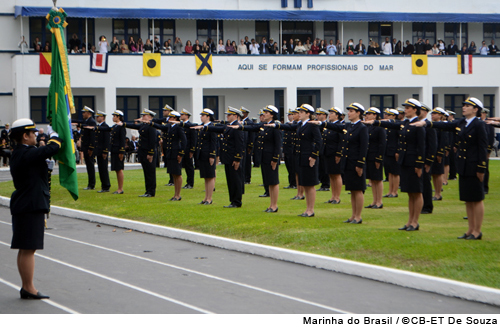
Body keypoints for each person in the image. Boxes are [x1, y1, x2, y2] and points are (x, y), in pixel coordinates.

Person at [414, 97, 487, 240]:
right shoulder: (462, 122)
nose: (464, 107)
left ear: (476, 109)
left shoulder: (479, 125)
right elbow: (444, 126)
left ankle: (477, 231)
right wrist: (426, 123)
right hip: (464, 165)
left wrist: (481, 168)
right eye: (464, 105)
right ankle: (470, 229)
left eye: (467, 106)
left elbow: (483, 147)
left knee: (476, 199)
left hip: (474, 165)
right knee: (468, 199)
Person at [9, 118, 62, 300]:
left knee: (25, 248)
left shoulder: (23, 152)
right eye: (33, 133)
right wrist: (55, 134)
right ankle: (29, 288)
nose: (36, 136)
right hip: (29, 205)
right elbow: (53, 148)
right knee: (28, 248)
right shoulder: (24, 153)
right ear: (25, 136)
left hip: (27, 204)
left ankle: (26, 286)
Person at [365, 99, 425, 231]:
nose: (405, 109)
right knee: (410, 193)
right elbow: (392, 124)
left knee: (416, 192)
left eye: (408, 107)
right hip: (405, 161)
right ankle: (410, 221)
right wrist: (374, 122)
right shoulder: (405, 123)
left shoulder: (418, 124)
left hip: (414, 162)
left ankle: (415, 221)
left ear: (415, 109)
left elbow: (421, 146)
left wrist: (419, 164)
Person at [310, 103, 368, 223]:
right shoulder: (349, 126)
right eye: (349, 111)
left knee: (358, 189)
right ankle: (353, 215)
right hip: (348, 161)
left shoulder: (362, 128)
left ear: (358, 113)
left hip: (356, 162)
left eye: (352, 111)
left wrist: (360, 164)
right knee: (352, 190)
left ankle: (358, 216)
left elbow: (363, 147)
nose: (349, 113)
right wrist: (321, 123)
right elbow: (336, 127)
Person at [270, 104, 322, 217]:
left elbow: (318, 142)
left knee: (310, 184)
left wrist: (313, 156)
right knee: (305, 184)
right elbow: (289, 127)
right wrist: (276, 125)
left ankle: (311, 210)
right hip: (301, 156)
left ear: (308, 114)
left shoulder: (312, 125)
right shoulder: (300, 124)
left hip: (309, 157)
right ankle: (307, 209)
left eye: (302, 112)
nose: (299, 114)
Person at [232, 105, 282, 212]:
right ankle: (271, 205)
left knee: (273, 181)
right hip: (264, 156)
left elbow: (278, 145)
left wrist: (275, 159)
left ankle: (274, 205)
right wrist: (240, 127)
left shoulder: (275, 126)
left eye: (267, 113)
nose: (264, 114)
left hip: (271, 157)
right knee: (268, 181)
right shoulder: (264, 124)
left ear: (272, 115)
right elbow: (252, 127)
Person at [192, 107, 245, 208]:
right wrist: (204, 127)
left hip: (234, 158)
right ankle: (233, 201)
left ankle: (237, 201)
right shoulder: (229, 126)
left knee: (235, 180)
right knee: (230, 180)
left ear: (236, 116)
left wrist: (237, 158)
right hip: (228, 158)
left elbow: (239, 145)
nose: (227, 116)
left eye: (229, 115)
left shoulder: (237, 127)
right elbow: (218, 128)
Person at [121, 109, 158, 197]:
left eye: (144, 115)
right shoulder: (144, 125)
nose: (142, 117)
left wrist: (151, 153)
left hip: (148, 152)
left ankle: (151, 192)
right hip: (143, 152)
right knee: (146, 172)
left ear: (149, 116)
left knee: (150, 173)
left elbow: (153, 141)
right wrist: (123, 124)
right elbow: (135, 126)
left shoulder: (151, 126)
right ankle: (147, 191)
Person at [151, 111, 186, 201]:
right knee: (173, 174)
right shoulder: (169, 126)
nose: (168, 119)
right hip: (170, 152)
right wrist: (152, 123)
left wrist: (181, 153)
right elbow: (161, 127)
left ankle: (178, 195)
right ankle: (175, 194)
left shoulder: (179, 127)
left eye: (170, 117)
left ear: (175, 118)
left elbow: (184, 141)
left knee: (178, 174)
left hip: (176, 152)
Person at [364, 107, 386, 209]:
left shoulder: (379, 127)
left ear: (375, 115)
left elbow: (382, 144)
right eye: (366, 114)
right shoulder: (368, 126)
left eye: (369, 114)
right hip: (369, 155)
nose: (367, 116)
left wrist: (379, 158)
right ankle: (374, 200)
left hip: (376, 155)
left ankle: (379, 201)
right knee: (372, 179)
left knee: (378, 179)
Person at [194, 109, 217, 204]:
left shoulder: (212, 127)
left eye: (203, 115)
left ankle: (209, 198)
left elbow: (213, 142)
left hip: (208, 154)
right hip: (202, 154)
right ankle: (206, 197)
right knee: (205, 176)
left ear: (208, 116)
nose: (201, 117)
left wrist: (212, 155)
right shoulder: (203, 126)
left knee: (210, 176)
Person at [418, 104, 437, 215]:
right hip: (417, 159)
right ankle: (420, 205)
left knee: (425, 183)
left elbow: (432, 145)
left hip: (425, 159)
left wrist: (429, 161)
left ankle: (427, 206)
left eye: (420, 111)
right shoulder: (415, 124)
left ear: (425, 112)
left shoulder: (429, 126)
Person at [323, 107, 344, 204]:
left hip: (335, 153)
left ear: (337, 115)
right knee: (331, 175)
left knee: (336, 174)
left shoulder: (339, 126)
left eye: (332, 113)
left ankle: (337, 197)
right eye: (329, 113)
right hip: (328, 153)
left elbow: (341, 141)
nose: (329, 115)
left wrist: (339, 153)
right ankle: (333, 196)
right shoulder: (329, 126)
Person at [73, 106, 96, 190]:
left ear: (88, 113)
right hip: (85, 147)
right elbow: (79, 122)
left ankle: (92, 184)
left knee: (90, 165)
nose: (82, 114)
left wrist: (91, 148)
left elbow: (92, 137)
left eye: (84, 112)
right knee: (88, 166)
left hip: (89, 147)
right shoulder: (87, 121)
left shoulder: (91, 122)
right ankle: (90, 184)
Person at [429, 107, 448, 202]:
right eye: (432, 113)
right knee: (433, 173)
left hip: (438, 153)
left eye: (435, 114)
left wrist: (440, 153)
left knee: (438, 173)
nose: (432, 115)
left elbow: (443, 140)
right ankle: (435, 192)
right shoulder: (433, 125)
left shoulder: (441, 125)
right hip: (432, 152)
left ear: (440, 115)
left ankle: (438, 193)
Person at [382, 109, 400, 198]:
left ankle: (395, 191)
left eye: (389, 115)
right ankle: (390, 191)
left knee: (395, 172)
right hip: (387, 150)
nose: (387, 116)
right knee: (389, 172)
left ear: (394, 116)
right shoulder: (388, 126)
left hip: (394, 151)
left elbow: (400, 139)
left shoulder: (397, 126)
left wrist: (398, 151)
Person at [94, 111, 111, 193]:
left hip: (103, 151)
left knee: (104, 169)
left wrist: (105, 151)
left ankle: (106, 186)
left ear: (103, 117)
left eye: (98, 116)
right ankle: (103, 185)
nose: (97, 118)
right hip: (99, 151)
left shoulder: (105, 127)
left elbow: (106, 140)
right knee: (101, 169)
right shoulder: (99, 126)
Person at [180, 109, 197, 189]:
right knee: (185, 166)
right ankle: (187, 183)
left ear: (187, 116)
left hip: (188, 149)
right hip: (182, 148)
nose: (181, 116)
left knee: (189, 166)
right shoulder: (181, 125)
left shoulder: (191, 125)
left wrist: (192, 150)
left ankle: (190, 183)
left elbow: (193, 139)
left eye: (182, 114)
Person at [282, 109, 298, 189]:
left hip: (292, 149)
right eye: (288, 115)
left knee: (293, 167)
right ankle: (291, 182)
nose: (289, 116)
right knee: (288, 166)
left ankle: (294, 183)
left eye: (291, 114)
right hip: (287, 149)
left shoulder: (296, 125)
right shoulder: (287, 124)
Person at [315, 108, 330, 191]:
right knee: (320, 167)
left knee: (324, 168)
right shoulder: (318, 125)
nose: (317, 116)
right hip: (319, 149)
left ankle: (326, 184)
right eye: (317, 114)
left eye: (319, 114)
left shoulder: (327, 125)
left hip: (325, 150)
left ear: (324, 115)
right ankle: (322, 183)